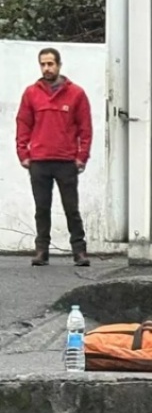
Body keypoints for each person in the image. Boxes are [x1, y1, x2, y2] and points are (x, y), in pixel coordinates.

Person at [15, 47, 92, 267]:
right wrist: (23, 153)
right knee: (42, 208)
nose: (47, 68)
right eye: (43, 64)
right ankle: (42, 251)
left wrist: (81, 156)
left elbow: (85, 128)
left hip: (66, 161)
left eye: (50, 63)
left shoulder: (76, 94)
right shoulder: (31, 93)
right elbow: (23, 124)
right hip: (39, 161)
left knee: (71, 208)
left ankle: (79, 252)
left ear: (59, 65)